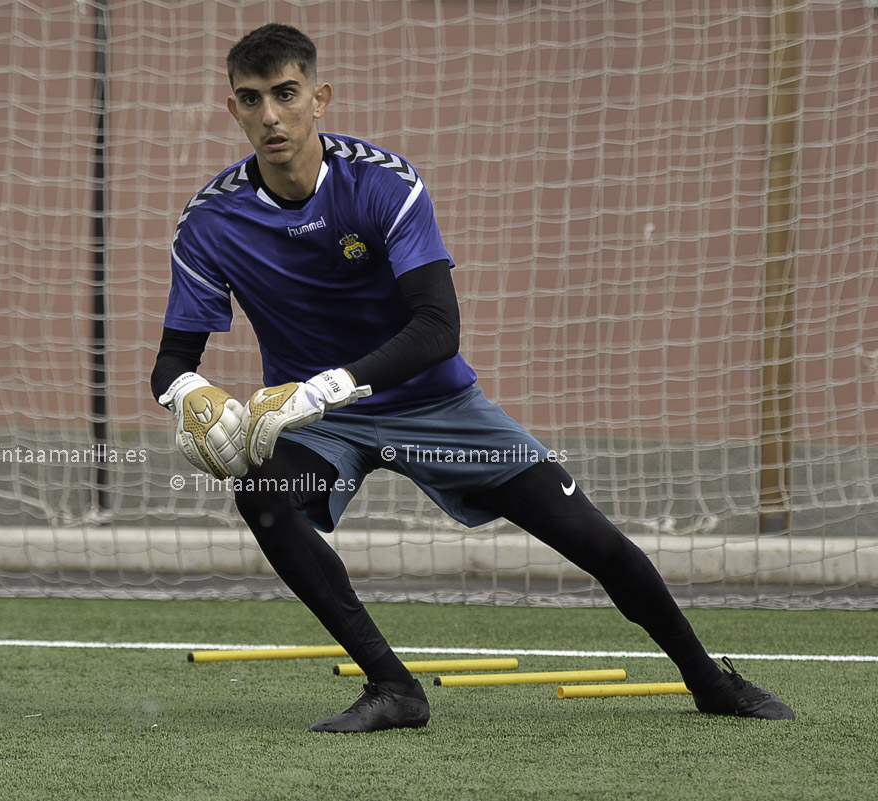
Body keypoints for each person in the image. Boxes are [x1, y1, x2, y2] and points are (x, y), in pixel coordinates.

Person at [150, 23, 794, 732]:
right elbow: (172, 362)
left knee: (595, 541)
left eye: (286, 94)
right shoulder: (210, 221)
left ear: (319, 98)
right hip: (321, 425)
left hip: (431, 403)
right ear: (234, 109)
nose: (271, 115)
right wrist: (190, 395)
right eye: (252, 99)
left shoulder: (383, 183)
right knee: (263, 495)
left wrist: (322, 386)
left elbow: (437, 329)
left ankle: (708, 681)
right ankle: (393, 688)